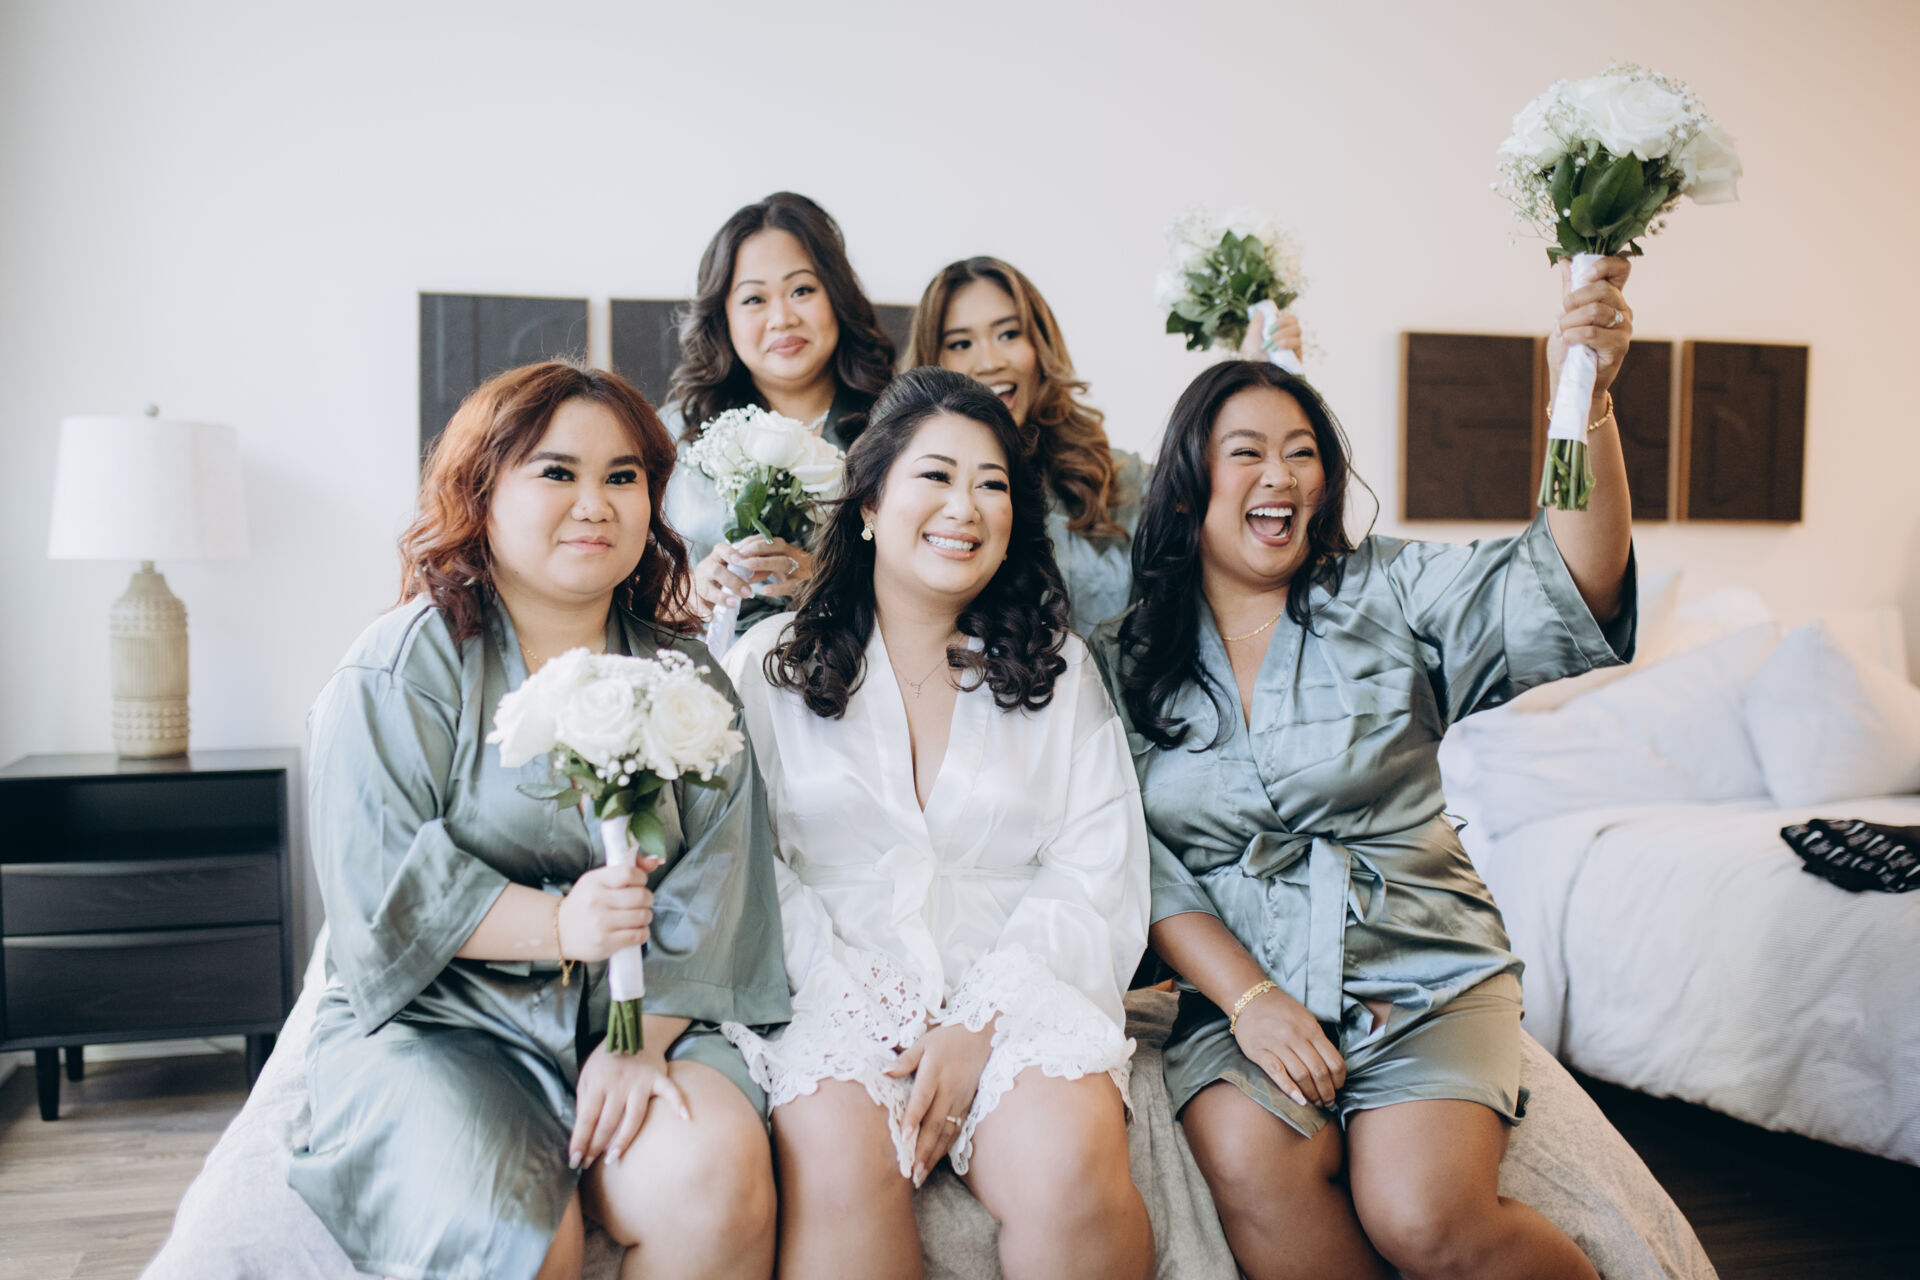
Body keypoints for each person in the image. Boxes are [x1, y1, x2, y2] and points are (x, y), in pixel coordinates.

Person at [1091, 260, 1638, 1280]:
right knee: (1247, 1153)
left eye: (1302, 453)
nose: (1282, 475)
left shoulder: (1388, 589)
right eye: (1247, 452)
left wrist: (1588, 403)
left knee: (1420, 1215)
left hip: (1421, 967)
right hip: (1243, 987)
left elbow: (1570, 578)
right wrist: (1251, 1000)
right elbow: (1137, 856)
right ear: (1187, 484)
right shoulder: (1129, 654)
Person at [289, 360, 791, 1280]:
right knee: (509, 1236)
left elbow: (723, 880)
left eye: (623, 476)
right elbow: (378, 886)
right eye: (557, 472)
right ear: (481, 489)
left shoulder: (688, 676)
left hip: (640, 1014)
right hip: (441, 1023)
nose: (595, 503)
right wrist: (560, 926)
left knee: (713, 1179)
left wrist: (637, 1044)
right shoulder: (399, 669)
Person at [719, 367, 1154, 1280]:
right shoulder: (770, 667)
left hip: (1019, 987)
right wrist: (858, 998)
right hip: (827, 986)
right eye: (936, 476)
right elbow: (744, 864)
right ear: (870, 502)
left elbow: (1094, 868)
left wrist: (980, 1021)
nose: (965, 507)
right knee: (841, 1161)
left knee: (1070, 1163)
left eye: (992, 485)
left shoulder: (1059, 671)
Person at [909, 256, 1305, 636]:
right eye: (961, 343)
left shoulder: (1117, 481)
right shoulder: (912, 498)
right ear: (932, 360)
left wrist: (1256, 385)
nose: (989, 361)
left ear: (1040, 345)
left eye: (1008, 334)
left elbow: (1220, 506)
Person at [664, 191, 896, 632]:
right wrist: (694, 593)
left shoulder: (899, 425)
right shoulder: (673, 432)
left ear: (837, 296)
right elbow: (623, 589)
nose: (782, 318)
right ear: (722, 316)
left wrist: (822, 579)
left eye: (802, 290)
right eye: (754, 299)